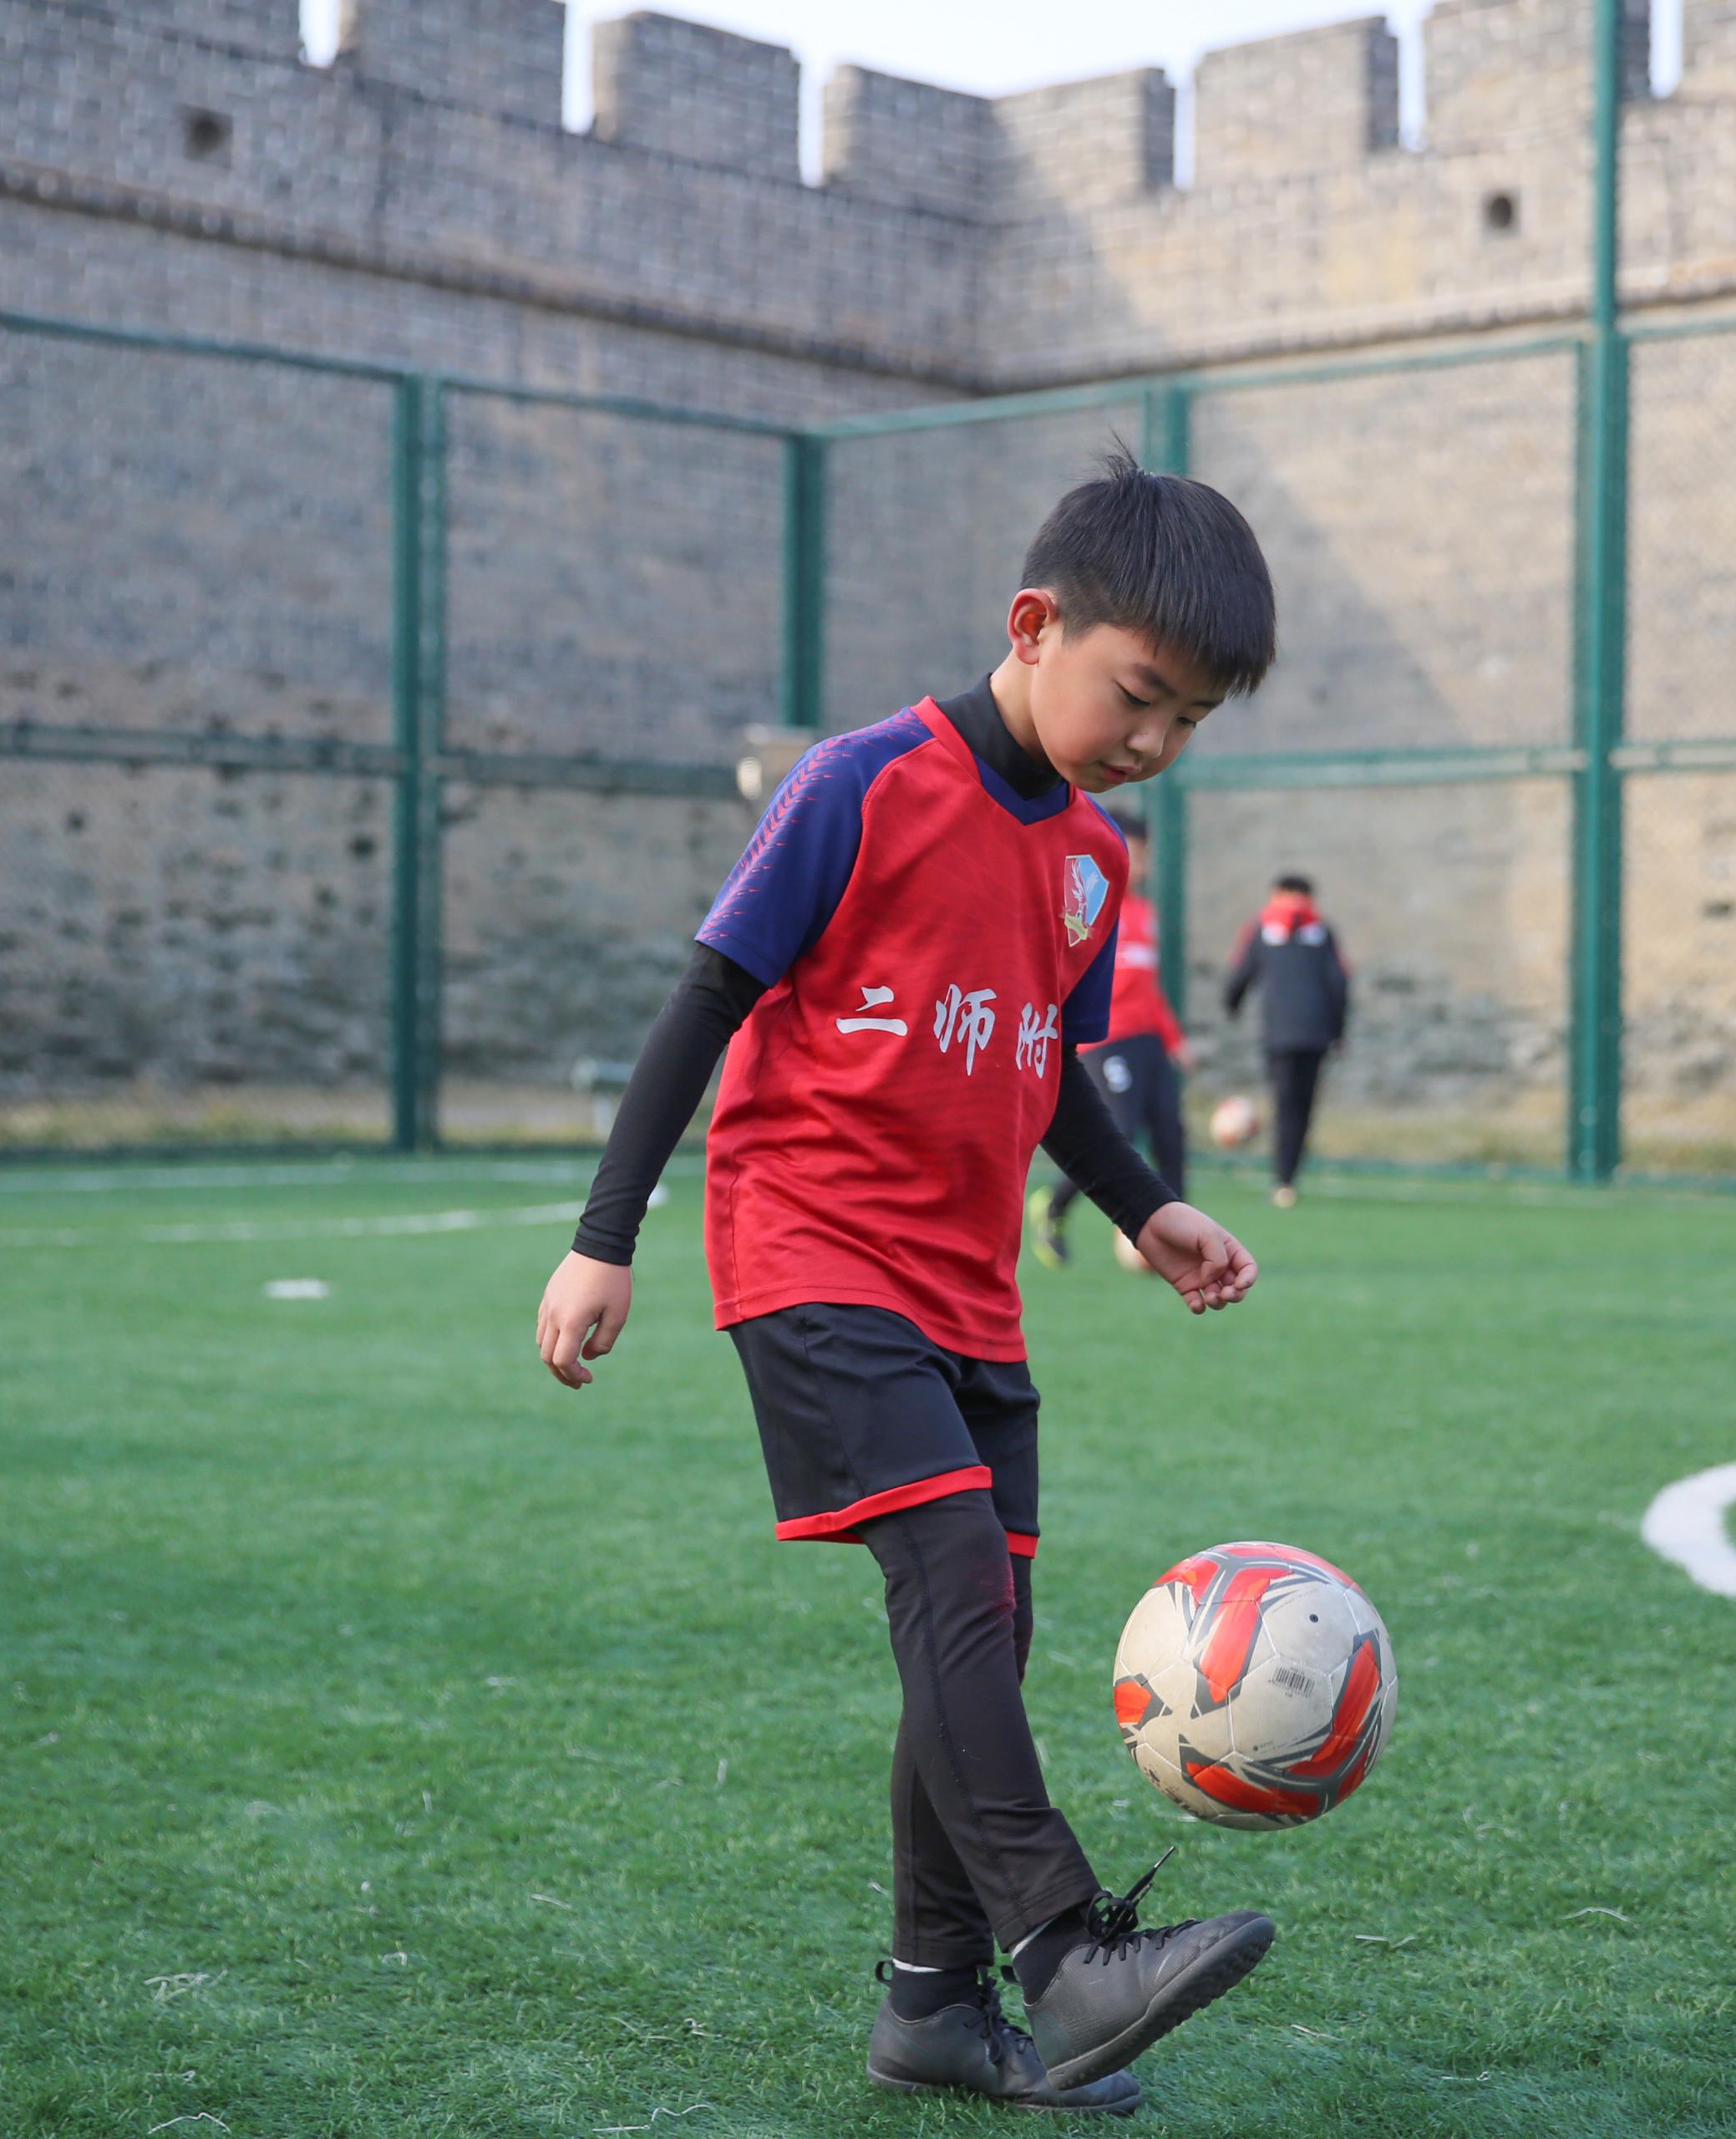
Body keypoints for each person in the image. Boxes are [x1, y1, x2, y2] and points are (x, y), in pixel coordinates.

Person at [534, 450, 1282, 2116]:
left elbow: (1058, 1067)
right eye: (1138, 696)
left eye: (1189, 721)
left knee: (984, 1631)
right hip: (808, 1245)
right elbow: (708, 995)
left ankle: (931, 2008)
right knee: (947, 1564)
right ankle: (1067, 1954)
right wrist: (608, 1232)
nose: (1154, 742)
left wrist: (1147, 1206)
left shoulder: (1094, 856)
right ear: (1036, 625)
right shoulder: (861, 782)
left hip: (971, 1292)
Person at [1030, 805, 1188, 1269]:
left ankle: (1179, 1238)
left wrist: (1175, 1039)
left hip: (1149, 1041)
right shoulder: (1090, 906)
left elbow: (1150, 987)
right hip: (1108, 1041)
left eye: (1146, 855)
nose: (1142, 864)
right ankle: (1054, 1208)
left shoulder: (1147, 914)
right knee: (1115, 1132)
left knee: (1170, 1134)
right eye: (1136, 853)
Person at [1222, 873, 1348, 1208]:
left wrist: (1231, 1005)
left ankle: (1281, 1179)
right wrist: (1339, 1033)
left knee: (1285, 1102)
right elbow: (1339, 985)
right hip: (1316, 1032)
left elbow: (1241, 973)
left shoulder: (1262, 928)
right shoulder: (1322, 932)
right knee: (1303, 1106)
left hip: (1279, 1031)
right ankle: (1289, 1178)